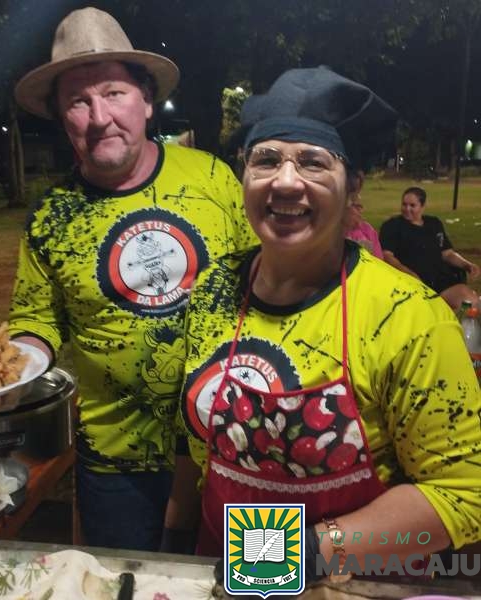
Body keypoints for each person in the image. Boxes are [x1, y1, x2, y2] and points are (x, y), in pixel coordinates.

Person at [165, 66, 481, 581]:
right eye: (266, 159)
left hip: (345, 583)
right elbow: (194, 438)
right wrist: (176, 536)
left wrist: (300, 554)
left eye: (313, 162)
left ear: (353, 185)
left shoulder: (408, 316)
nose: (286, 181)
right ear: (245, 175)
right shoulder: (213, 290)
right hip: (218, 571)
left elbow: (466, 495)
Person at [9, 7, 255, 551]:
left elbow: (263, 282)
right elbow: (35, 319)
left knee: (252, 580)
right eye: (78, 101)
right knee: (125, 582)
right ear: (62, 118)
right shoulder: (52, 218)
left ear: (146, 101)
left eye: (114, 93)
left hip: (234, 442)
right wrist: (5, 367)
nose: (99, 116)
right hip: (117, 464)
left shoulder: (214, 178)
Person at [380, 187, 480, 309]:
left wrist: (467, 265)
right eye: (404, 204)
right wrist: (409, 274)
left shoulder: (434, 224)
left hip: (441, 281)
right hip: (412, 284)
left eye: (412, 205)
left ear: (422, 206)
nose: (407, 209)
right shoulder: (392, 226)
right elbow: (387, 256)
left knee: (471, 304)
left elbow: (447, 253)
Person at [343, 172, 383, 259]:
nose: (359, 198)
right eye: (352, 194)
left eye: (358, 192)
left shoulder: (367, 230)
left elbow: (378, 261)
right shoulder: (328, 231)